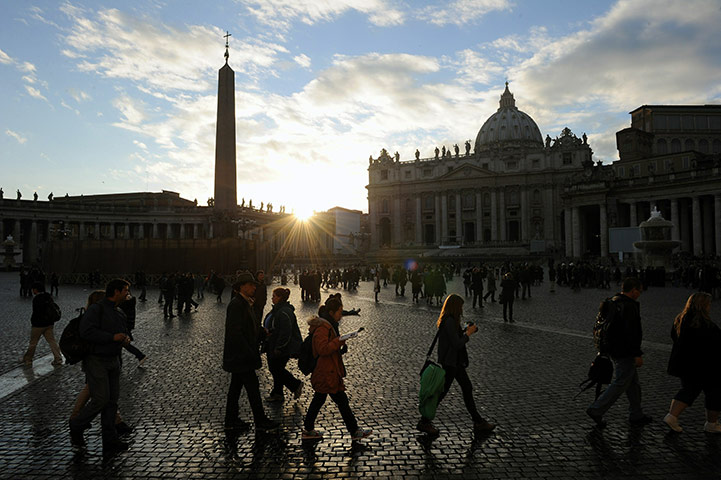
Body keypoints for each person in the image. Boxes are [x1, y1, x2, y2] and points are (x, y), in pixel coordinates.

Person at [69, 279, 132, 459]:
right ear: (116, 291)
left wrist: (124, 338)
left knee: (112, 401)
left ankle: (110, 440)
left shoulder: (119, 312)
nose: (127, 294)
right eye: (125, 291)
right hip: (96, 360)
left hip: (114, 360)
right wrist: (112, 337)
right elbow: (86, 332)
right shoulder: (97, 309)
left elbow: (123, 332)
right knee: (101, 399)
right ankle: (77, 425)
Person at [417, 294, 495, 436]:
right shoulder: (449, 321)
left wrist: (464, 330)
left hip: (455, 362)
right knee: (441, 393)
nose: (461, 310)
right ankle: (424, 422)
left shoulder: (449, 320)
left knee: (466, 388)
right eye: (460, 307)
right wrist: (468, 334)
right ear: (455, 307)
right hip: (451, 363)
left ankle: (478, 421)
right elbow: (456, 344)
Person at [586, 277, 652, 428]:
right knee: (621, 382)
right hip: (625, 351)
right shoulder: (628, 306)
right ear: (633, 290)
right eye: (639, 291)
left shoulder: (613, 301)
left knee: (633, 383)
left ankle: (636, 413)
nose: (640, 293)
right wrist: (637, 354)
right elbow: (632, 333)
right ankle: (596, 409)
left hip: (613, 348)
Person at [302, 297, 371, 441]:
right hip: (326, 371)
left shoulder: (330, 325)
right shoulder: (323, 327)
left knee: (321, 400)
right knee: (339, 401)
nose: (341, 314)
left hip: (329, 370)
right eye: (340, 311)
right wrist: (338, 341)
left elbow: (330, 347)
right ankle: (354, 431)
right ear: (332, 312)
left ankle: (308, 429)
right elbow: (322, 349)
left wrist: (340, 347)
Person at [223, 272, 279, 434]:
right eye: (251, 285)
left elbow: (250, 325)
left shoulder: (245, 303)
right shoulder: (237, 305)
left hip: (240, 356)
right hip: (242, 356)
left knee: (235, 390)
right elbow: (236, 333)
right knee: (253, 389)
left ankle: (231, 420)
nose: (255, 287)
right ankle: (260, 421)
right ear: (242, 286)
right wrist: (249, 352)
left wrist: (262, 332)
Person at [663, 292, 721, 433]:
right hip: (705, 366)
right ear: (703, 306)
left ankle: (672, 415)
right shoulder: (706, 325)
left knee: (688, 390)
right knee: (714, 392)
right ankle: (711, 423)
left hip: (685, 364)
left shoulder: (680, 319)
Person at [263, 287, 303, 402]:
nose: (272, 298)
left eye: (274, 296)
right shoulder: (278, 309)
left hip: (281, 346)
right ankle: (277, 393)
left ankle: (295, 384)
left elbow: (286, 331)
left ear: (280, 298)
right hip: (273, 343)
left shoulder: (284, 311)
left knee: (276, 369)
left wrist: (279, 347)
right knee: (276, 369)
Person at [21, 282, 63, 366]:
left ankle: (28, 359)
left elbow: (36, 312)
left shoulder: (37, 299)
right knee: (52, 341)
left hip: (38, 325)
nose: (32, 291)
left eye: (33, 289)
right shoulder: (48, 297)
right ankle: (58, 358)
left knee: (33, 342)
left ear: (36, 289)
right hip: (49, 324)